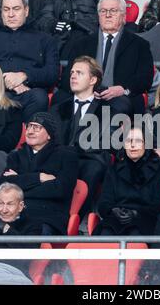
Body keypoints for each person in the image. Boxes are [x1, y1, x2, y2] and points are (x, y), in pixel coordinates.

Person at [60, 0, 154, 115]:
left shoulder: (140, 45)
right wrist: (84, 89)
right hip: (84, 94)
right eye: (103, 11)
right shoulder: (81, 44)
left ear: (124, 17)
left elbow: (145, 78)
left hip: (121, 96)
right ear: (98, 16)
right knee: (60, 102)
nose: (107, 15)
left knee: (119, 107)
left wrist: (122, 90)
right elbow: (66, 77)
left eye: (113, 11)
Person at [51, 56, 116, 218]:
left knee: (93, 169)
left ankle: (78, 217)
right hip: (60, 157)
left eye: (79, 73)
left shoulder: (107, 110)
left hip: (89, 158)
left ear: (93, 79)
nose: (72, 76)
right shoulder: (58, 109)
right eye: (72, 72)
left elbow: (103, 143)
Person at [0, 112, 78, 235]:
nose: (30, 131)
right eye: (29, 126)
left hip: (47, 216)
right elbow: (3, 186)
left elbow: (60, 189)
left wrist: (19, 181)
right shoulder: (16, 156)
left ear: (49, 135)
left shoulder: (66, 155)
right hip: (12, 212)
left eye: (36, 127)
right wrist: (39, 177)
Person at [93, 126, 160, 236]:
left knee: (135, 234)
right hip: (115, 219)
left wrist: (136, 213)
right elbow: (104, 203)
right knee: (106, 233)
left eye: (138, 141)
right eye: (128, 141)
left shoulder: (159, 170)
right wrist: (113, 210)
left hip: (145, 220)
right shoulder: (113, 169)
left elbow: (159, 206)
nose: (132, 145)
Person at [36, 0, 119, 57]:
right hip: (60, 38)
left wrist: (77, 25)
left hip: (91, 36)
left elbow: (112, 15)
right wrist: (53, 24)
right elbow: (44, 17)